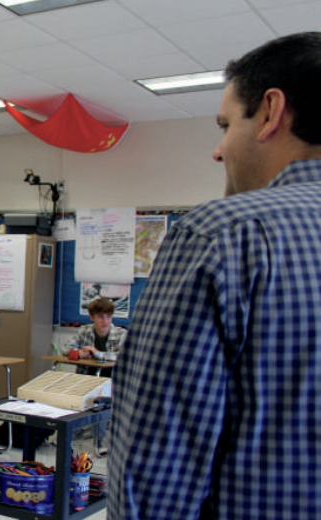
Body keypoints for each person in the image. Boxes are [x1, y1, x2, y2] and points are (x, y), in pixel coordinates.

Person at [109, 32, 321, 520]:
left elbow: (159, 456)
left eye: (226, 125)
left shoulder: (223, 235)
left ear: (271, 111)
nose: (219, 150)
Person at [64, 298, 126, 376]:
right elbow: (64, 348)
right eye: (100, 317)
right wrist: (78, 353)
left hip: (111, 380)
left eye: (108, 316)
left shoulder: (121, 334)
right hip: (86, 378)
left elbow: (123, 357)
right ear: (92, 317)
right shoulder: (84, 331)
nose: (105, 321)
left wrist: (97, 353)